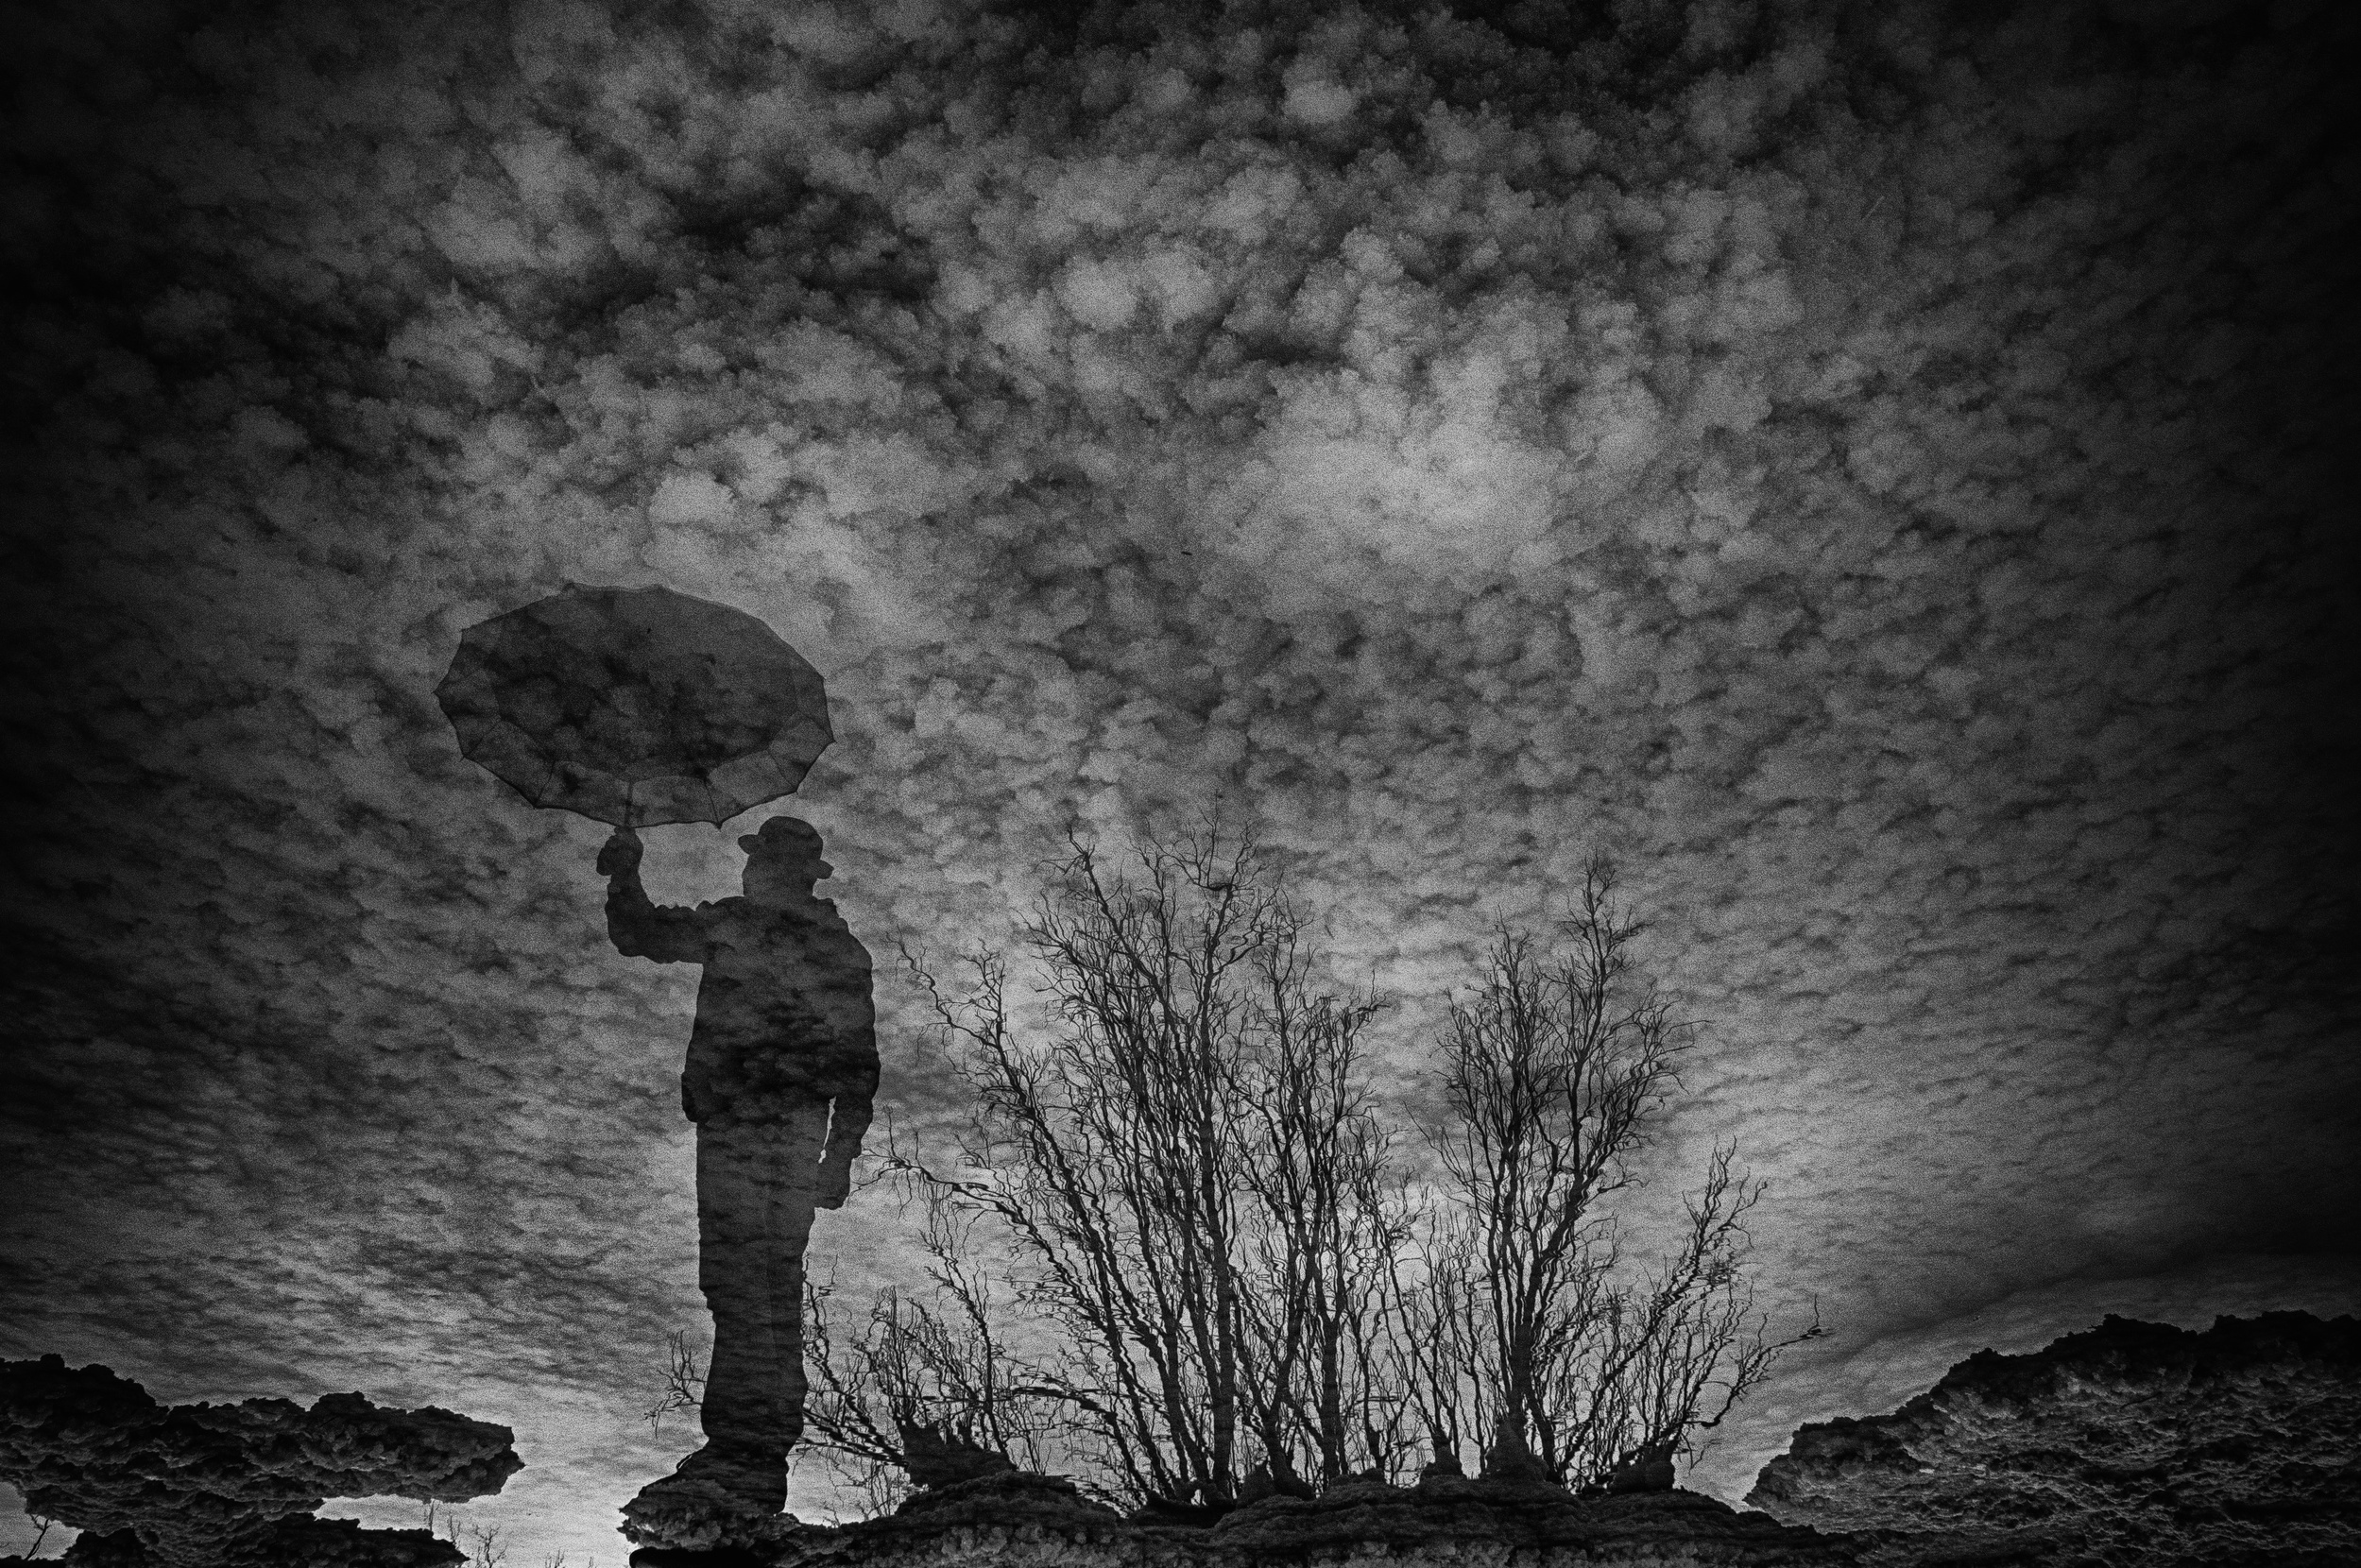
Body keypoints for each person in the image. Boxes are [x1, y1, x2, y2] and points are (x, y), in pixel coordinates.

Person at [599, 815, 878, 1529]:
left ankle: (749, 1444)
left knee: (754, 1278)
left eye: (760, 863)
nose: (749, 873)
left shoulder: (821, 947)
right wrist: (625, 870)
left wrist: (840, 1152)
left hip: (778, 1129)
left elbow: (858, 1061)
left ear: (788, 873)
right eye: (751, 863)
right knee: (743, 1280)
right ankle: (749, 1443)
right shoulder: (742, 925)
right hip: (735, 1124)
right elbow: (641, 933)